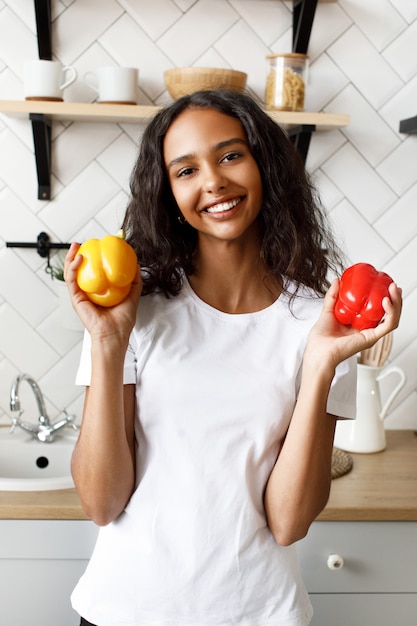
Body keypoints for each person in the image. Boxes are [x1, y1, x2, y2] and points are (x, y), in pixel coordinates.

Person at [64, 90, 402, 626]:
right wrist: (108, 344)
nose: (213, 182)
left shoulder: (323, 322)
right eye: (186, 170)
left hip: (259, 614)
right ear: (168, 192)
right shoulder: (132, 307)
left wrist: (319, 365)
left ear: (263, 163)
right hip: (123, 611)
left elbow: (288, 522)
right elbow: (102, 504)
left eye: (229, 156)